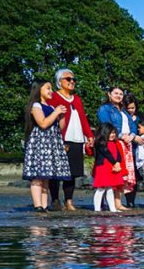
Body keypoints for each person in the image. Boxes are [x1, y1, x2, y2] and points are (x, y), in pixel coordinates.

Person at [22, 79, 72, 212]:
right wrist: (56, 112)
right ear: (39, 90)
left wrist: (62, 115)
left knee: (46, 178)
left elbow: (60, 127)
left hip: (50, 144)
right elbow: (43, 123)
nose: (51, 91)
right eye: (48, 88)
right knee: (37, 176)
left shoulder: (50, 107)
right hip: (40, 144)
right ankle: (38, 205)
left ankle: (44, 206)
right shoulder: (36, 106)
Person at [47, 69, 94, 211]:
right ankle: (55, 200)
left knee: (72, 173)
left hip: (76, 139)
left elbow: (83, 119)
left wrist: (89, 135)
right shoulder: (54, 97)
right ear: (59, 81)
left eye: (74, 79)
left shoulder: (77, 99)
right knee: (56, 172)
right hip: (61, 139)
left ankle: (69, 201)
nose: (72, 81)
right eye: (68, 79)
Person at [97, 86, 140, 211]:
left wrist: (132, 136)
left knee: (121, 174)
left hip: (126, 143)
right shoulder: (105, 109)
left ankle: (118, 202)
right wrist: (120, 135)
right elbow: (106, 126)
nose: (118, 96)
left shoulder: (124, 110)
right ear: (109, 94)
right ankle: (111, 203)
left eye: (121, 94)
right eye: (115, 93)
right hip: (114, 142)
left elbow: (132, 125)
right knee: (114, 171)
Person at [92, 123, 126, 212]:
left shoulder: (114, 143)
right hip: (103, 167)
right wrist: (115, 163)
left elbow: (118, 155)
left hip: (111, 167)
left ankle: (112, 208)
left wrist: (117, 162)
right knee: (101, 188)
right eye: (110, 133)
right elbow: (106, 153)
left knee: (110, 188)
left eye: (114, 133)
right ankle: (97, 209)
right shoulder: (100, 143)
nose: (112, 135)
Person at [123, 93, 144, 207]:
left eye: (133, 108)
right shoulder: (122, 116)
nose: (131, 110)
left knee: (135, 177)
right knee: (126, 175)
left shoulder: (140, 117)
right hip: (125, 148)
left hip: (137, 150)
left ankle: (131, 201)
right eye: (128, 108)